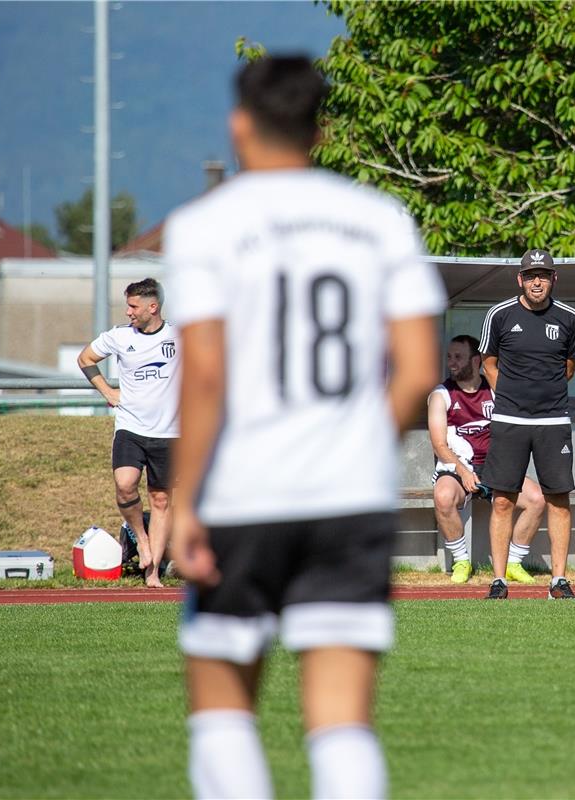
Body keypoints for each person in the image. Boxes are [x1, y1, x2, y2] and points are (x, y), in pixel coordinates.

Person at [165, 56, 443, 800]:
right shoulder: (380, 218)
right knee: (342, 722)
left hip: (242, 496)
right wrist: (353, 446)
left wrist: (185, 500)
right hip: (348, 498)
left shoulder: (202, 226)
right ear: (320, 129)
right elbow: (417, 372)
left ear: (239, 124)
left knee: (223, 714)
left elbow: (206, 376)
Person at [479, 248, 575, 600]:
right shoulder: (500, 315)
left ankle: (558, 581)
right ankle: (498, 581)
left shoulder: (570, 318)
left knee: (558, 498)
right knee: (503, 500)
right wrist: (509, 395)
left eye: (543, 274)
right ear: (519, 279)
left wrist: (544, 395)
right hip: (509, 420)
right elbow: (488, 363)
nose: (536, 281)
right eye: (530, 275)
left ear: (554, 278)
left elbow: (569, 366)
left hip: (553, 420)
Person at [77, 278, 180, 588]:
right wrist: (107, 391)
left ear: (153, 306)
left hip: (171, 432)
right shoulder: (119, 337)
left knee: (161, 500)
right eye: (128, 305)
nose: (128, 311)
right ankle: (142, 540)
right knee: (125, 485)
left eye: (134, 306)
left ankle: (152, 573)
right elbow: (85, 359)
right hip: (131, 427)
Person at [430, 334, 545, 584]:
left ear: (476, 360)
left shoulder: (494, 389)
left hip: (496, 467)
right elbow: (439, 444)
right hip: (459, 468)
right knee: (443, 496)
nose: (451, 363)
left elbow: (517, 425)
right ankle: (462, 561)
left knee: (537, 499)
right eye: (449, 357)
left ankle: (513, 563)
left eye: (458, 357)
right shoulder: (442, 394)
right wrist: (462, 471)